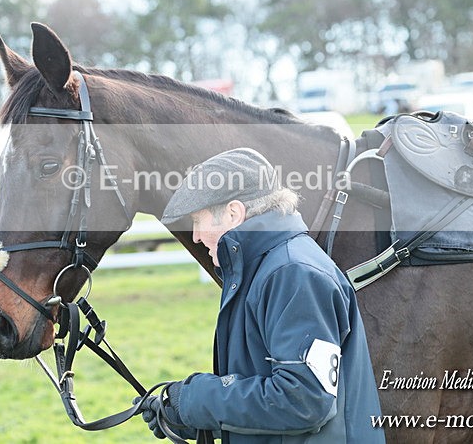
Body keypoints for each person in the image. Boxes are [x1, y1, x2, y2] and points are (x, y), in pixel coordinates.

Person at [137, 148, 384, 443]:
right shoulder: (270, 269)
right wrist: (189, 417)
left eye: (198, 220)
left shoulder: (294, 274)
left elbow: (303, 401)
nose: (196, 236)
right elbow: (273, 395)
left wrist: (196, 400)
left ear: (233, 213)